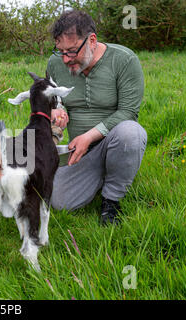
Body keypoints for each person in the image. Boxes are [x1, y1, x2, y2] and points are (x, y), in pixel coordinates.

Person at [46, 10, 147, 225]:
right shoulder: (55, 64)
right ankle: (106, 172)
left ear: (92, 40)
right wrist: (56, 109)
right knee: (61, 202)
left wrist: (89, 136)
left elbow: (129, 112)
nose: (65, 59)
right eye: (60, 51)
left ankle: (112, 199)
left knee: (131, 133)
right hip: (78, 152)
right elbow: (53, 99)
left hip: (115, 140)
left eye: (72, 51)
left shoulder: (125, 60)